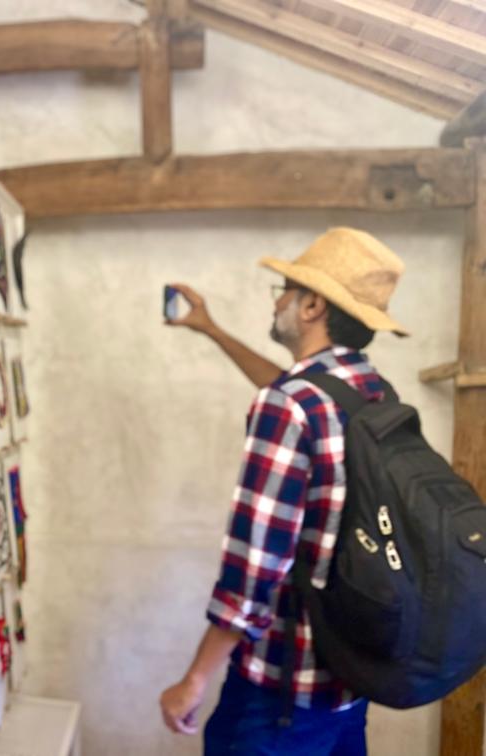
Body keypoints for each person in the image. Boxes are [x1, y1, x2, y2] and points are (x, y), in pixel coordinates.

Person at [158, 227, 409, 755]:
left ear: (312, 305)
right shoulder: (373, 392)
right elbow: (292, 391)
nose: (278, 304)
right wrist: (213, 330)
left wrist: (195, 679)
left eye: (285, 292)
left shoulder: (290, 405)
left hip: (282, 694)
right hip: (349, 681)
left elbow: (254, 568)